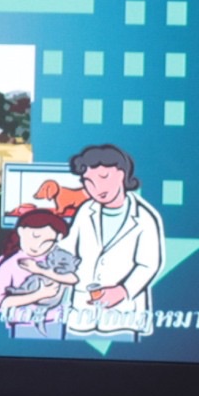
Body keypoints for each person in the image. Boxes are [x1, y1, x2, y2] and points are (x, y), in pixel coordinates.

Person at [62, 144, 165, 341]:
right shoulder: (85, 211)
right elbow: (69, 245)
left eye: (103, 177)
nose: (96, 188)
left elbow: (149, 264)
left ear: (121, 174)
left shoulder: (144, 218)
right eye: (88, 181)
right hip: (83, 312)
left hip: (123, 315)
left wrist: (123, 291)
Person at [0, 207, 79, 340]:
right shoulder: (10, 264)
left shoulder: (58, 257)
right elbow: (0, 302)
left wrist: (39, 270)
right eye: (35, 236)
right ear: (21, 231)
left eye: (48, 241)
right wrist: (39, 294)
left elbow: (73, 278)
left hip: (55, 322)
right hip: (23, 323)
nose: (38, 245)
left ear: (58, 239)